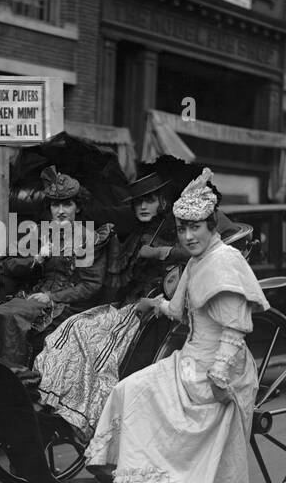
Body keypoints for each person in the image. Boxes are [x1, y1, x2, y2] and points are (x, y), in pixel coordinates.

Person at [84, 168, 268, 483]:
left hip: (222, 373)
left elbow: (235, 331)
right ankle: (118, 464)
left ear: (211, 225)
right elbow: (182, 309)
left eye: (195, 228)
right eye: (182, 228)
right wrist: (156, 305)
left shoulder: (224, 263)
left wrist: (219, 378)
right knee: (131, 389)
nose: (187, 237)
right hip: (189, 360)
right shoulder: (196, 262)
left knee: (221, 466)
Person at [31, 171, 188, 443]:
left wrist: (161, 253)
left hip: (151, 308)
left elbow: (196, 253)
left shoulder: (175, 232)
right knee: (74, 326)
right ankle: (63, 404)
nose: (142, 207)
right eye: (138, 202)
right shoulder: (138, 232)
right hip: (127, 304)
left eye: (148, 200)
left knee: (92, 341)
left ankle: (89, 415)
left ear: (162, 202)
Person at [0, 166, 112, 371]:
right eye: (55, 205)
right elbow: (8, 265)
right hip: (35, 296)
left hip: (67, 304)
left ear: (78, 207)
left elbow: (90, 286)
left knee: (13, 317)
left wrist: (51, 297)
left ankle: (19, 378)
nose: (60, 211)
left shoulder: (87, 239)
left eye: (67, 204)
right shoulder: (41, 233)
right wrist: (36, 259)